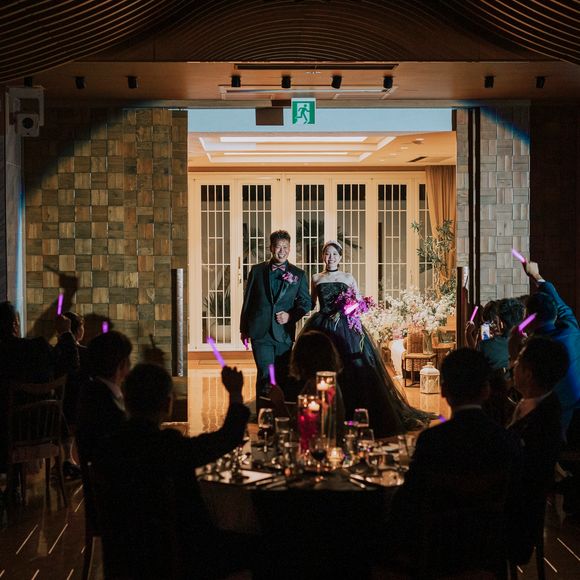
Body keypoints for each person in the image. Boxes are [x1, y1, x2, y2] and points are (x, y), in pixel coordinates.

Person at [93, 363, 250, 579]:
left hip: (123, 561)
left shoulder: (107, 448)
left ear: (126, 401)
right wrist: (235, 393)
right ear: (168, 404)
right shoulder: (168, 446)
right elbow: (227, 438)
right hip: (179, 559)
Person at [383, 348, 523, 576]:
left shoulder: (432, 440)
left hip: (438, 552)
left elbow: (410, 500)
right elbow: (516, 503)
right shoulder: (507, 441)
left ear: (444, 390)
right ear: (486, 390)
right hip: (490, 550)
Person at [301, 240, 429, 436]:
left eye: (334, 254)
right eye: (327, 254)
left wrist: (346, 309)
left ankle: (352, 410)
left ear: (340, 257)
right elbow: (311, 303)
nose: (330, 257)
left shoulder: (348, 277)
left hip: (345, 327)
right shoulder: (316, 277)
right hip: (323, 324)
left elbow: (358, 303)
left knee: (353, 367)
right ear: (322, 256)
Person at [507, 336, 568, 565]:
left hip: (514, 521)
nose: (513, 366)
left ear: (529, 374)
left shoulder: (544, 419)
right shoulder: (534, 403)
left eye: (518, 362)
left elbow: (524, 473)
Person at [510, 261, 580, 434]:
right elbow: (562, 307)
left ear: (528, 317)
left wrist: (513, 347)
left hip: (554, 421)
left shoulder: (534, 349)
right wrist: (536, 276)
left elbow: (520, 384)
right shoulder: (571, 330)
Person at [240, 230, 311, 397]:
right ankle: (263, 410)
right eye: (278, 246)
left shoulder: (298, 274)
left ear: (290, 248)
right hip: (260, 333)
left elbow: (306, 303)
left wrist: (290, 316)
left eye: (285, 247)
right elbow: (248, 301)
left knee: (282, 376)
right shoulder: (257, 271)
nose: (282, 250)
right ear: (271, 248)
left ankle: (281, 410)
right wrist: (244, 329)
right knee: (265, 375)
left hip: (283, 334)